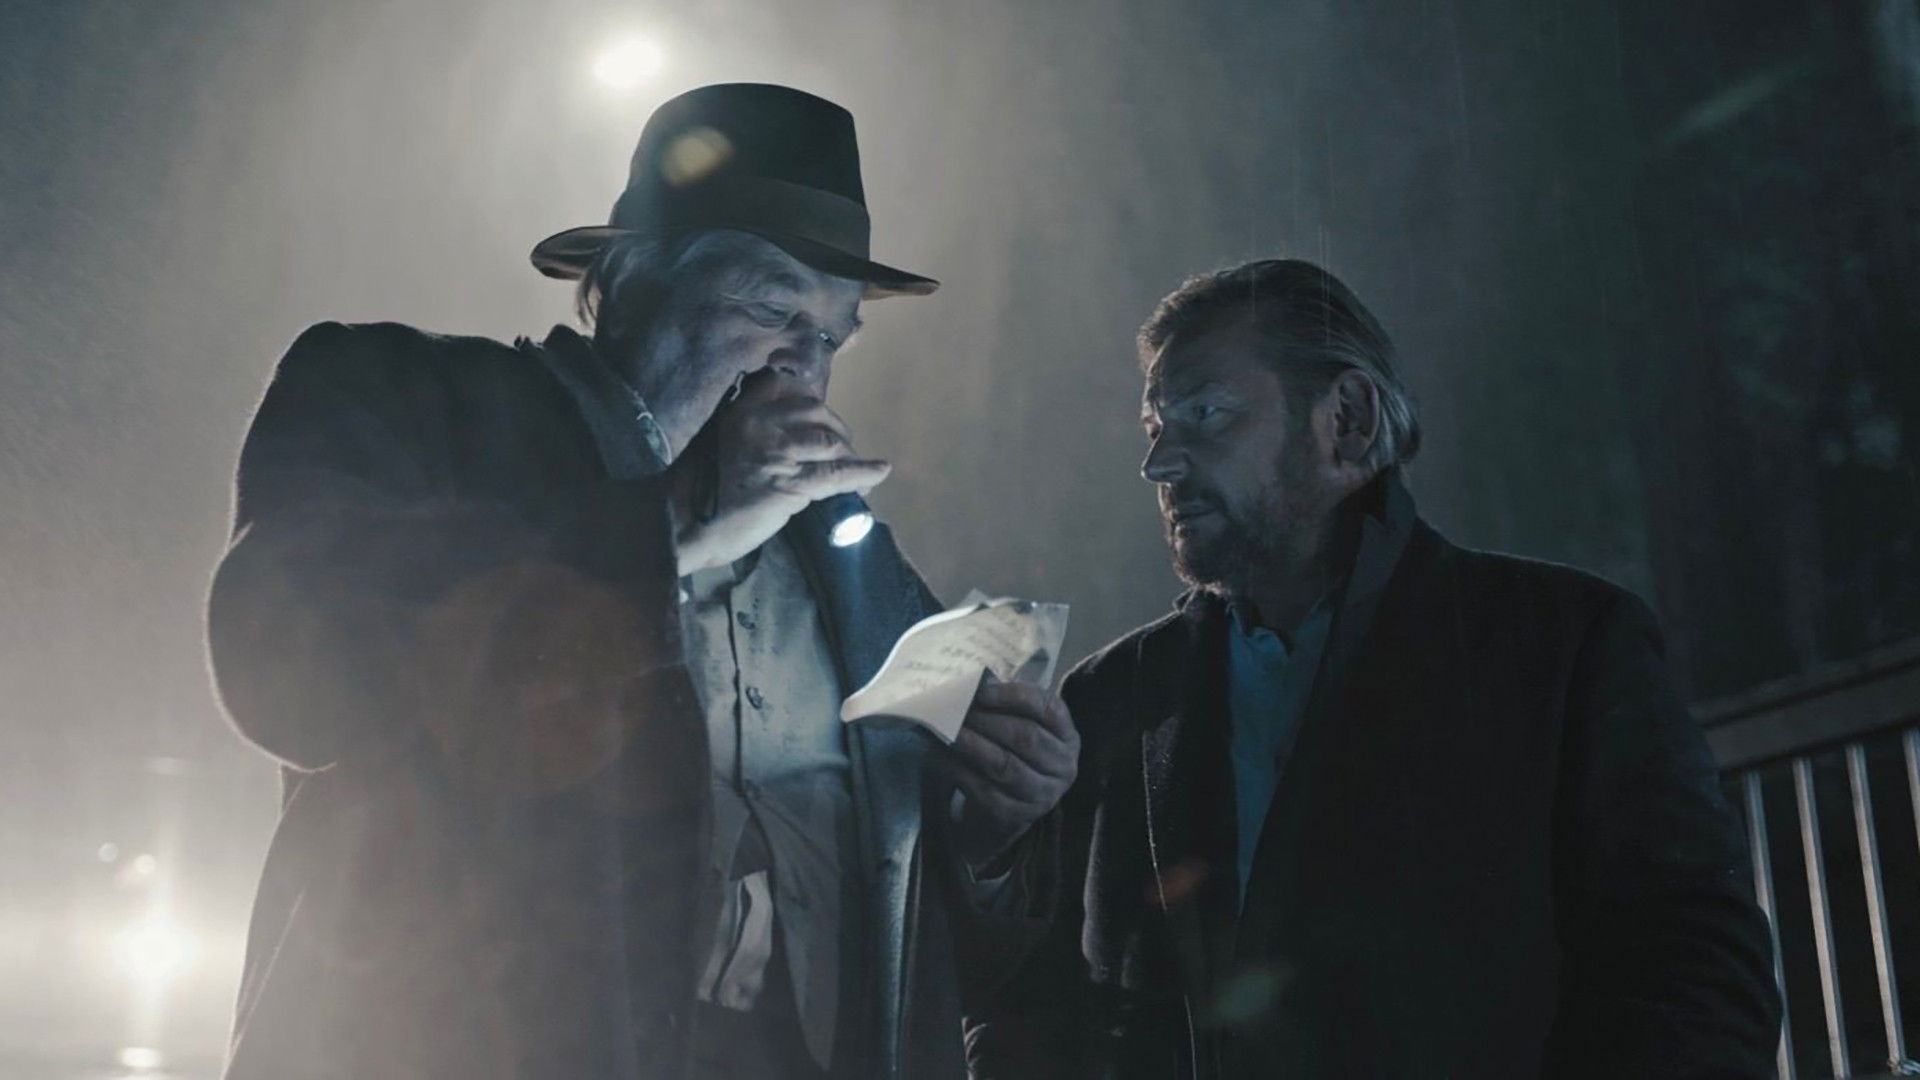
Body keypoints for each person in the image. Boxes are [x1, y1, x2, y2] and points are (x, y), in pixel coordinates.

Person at [208, 83, 1072, 1080]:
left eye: (832, 337)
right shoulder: (410, 397)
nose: (804, 365)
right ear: (626, 279)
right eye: (771, 308)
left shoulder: (850, 553)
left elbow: (943, 933)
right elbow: (284, 669)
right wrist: (670, 525)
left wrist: (998, 812)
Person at [965, 258, 1781, 1078]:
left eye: (1206, 415)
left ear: (1347, 421)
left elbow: (1694, 975)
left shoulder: (1562, 646)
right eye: (1154, 427)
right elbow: (1027, 1005)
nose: (1161, 464)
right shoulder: (1113, 697)